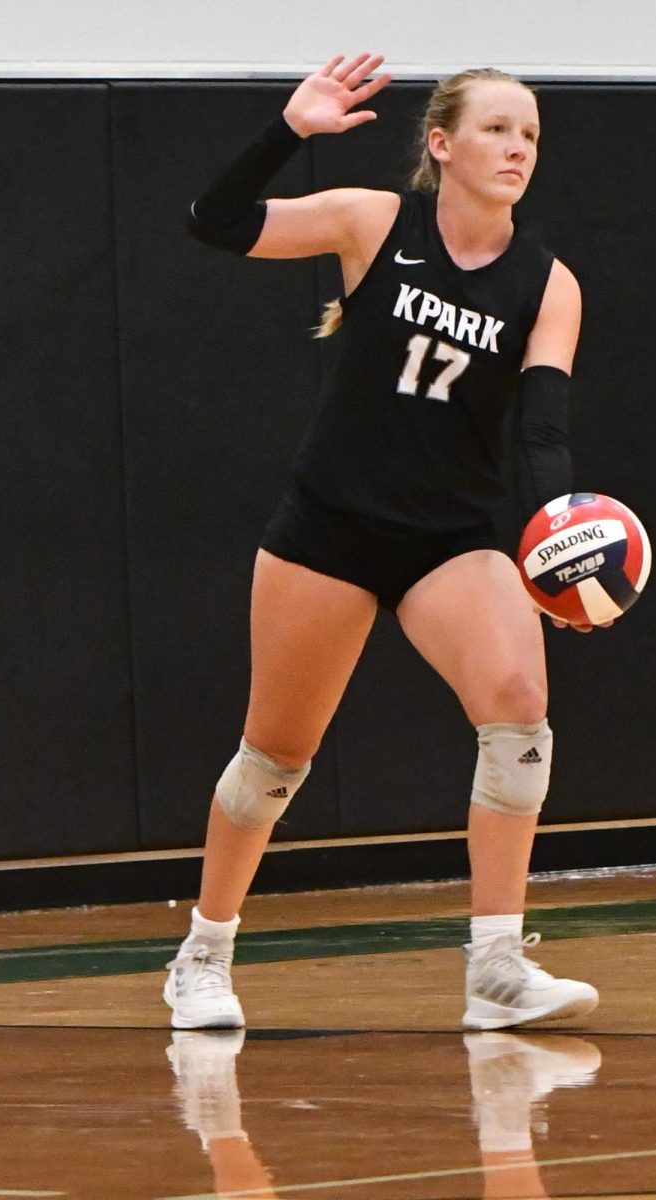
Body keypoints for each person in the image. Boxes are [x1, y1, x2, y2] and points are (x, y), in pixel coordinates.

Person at [164, 52, 601, 1032]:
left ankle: (494, 965)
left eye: (529, 133)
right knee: (273, 759)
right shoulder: (371, 223)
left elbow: (539, 432)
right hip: (329, 530)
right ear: (440, 145)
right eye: (495, 128)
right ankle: (203, 950)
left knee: (518, 707)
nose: (516, 148)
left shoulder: (547, 283)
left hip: (449, 538)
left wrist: (556, 546)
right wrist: (290, 132)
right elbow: (215, 222)